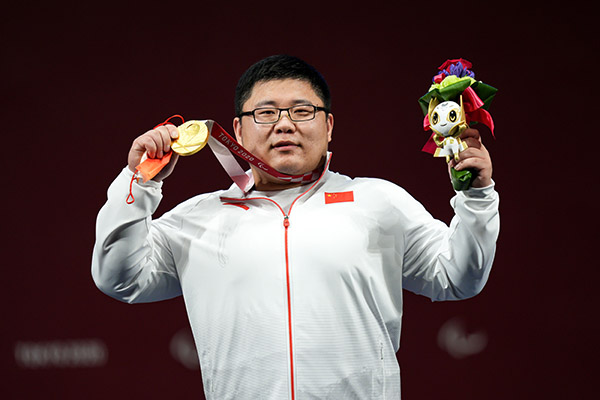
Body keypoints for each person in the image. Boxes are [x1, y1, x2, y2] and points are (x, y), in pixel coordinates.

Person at [92, 54, 499, 399]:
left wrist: (477, 197)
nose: (284, 124)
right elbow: (119, 278)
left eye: (302, 111)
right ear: (238, 131)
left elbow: (457, 276)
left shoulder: (379, 202)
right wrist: (139, 182)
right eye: (266, 113)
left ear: (329, 126)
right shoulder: (197, 218)